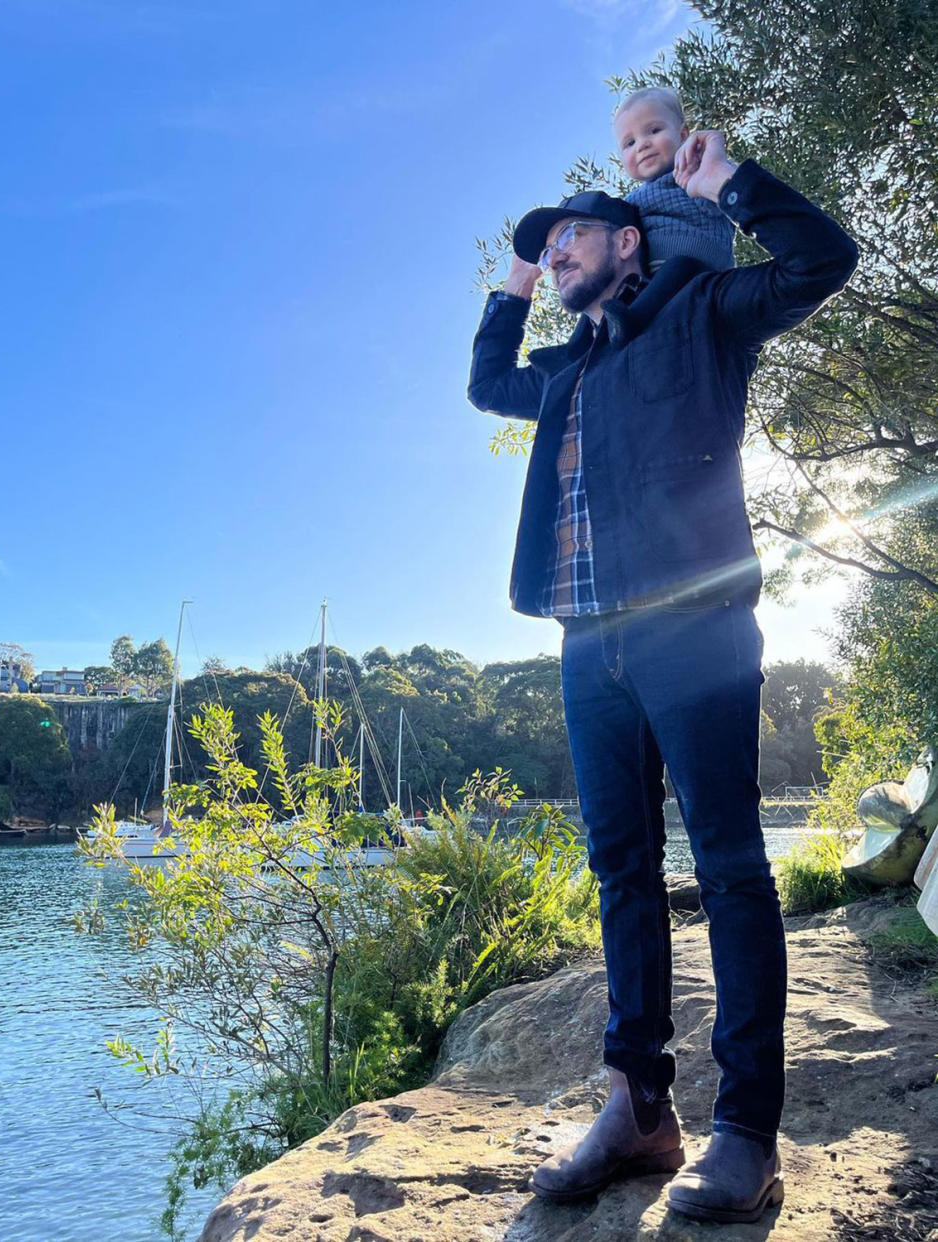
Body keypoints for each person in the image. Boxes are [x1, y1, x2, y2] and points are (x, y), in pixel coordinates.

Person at [467, 129, 857, 1224]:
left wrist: (727, 183)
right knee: (621, 873)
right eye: (543, 253)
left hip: (695, 631)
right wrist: (510, 278)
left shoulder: (701, 313)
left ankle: (746, 1133)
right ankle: (637, 1107)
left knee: (731, 871)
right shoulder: (565, 369)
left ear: (628, 241)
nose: (554, 260)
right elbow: (485, 379)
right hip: (588, 642)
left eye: (569, 239)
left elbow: (822, 260)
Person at [615, 85, 734, 272]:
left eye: (654, 130)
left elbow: (729, 196)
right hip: (656, 271)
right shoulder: (630, 202)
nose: (642, 145)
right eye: (630, 143)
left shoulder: (698, 168)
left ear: (683, 134)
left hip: (700, 258)